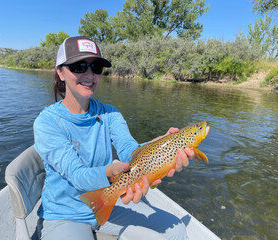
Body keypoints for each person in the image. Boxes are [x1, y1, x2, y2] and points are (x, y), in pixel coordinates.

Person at [33, 36, 194, 240]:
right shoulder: (46, 122)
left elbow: (129, 150)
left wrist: (160, 146)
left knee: (176, 230)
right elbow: (77, 175)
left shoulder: (110, 114)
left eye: (96, 67)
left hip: (107, 204)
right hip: (64, 214)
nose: (89, 74)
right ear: (60, 72)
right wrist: (110, 174)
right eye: (79, 66)